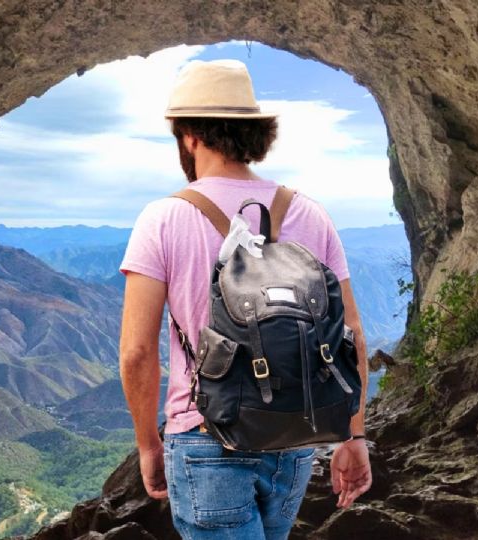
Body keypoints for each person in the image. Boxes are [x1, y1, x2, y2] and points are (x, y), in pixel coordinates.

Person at [118, 59, 372, 539]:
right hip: (296, 433)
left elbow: (136, 352)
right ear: (253, 133)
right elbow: (350, 335)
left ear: (188, 134)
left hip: (204, 437)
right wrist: (353, 435)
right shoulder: (310, 214)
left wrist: (148, 445)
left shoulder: (163, 219)